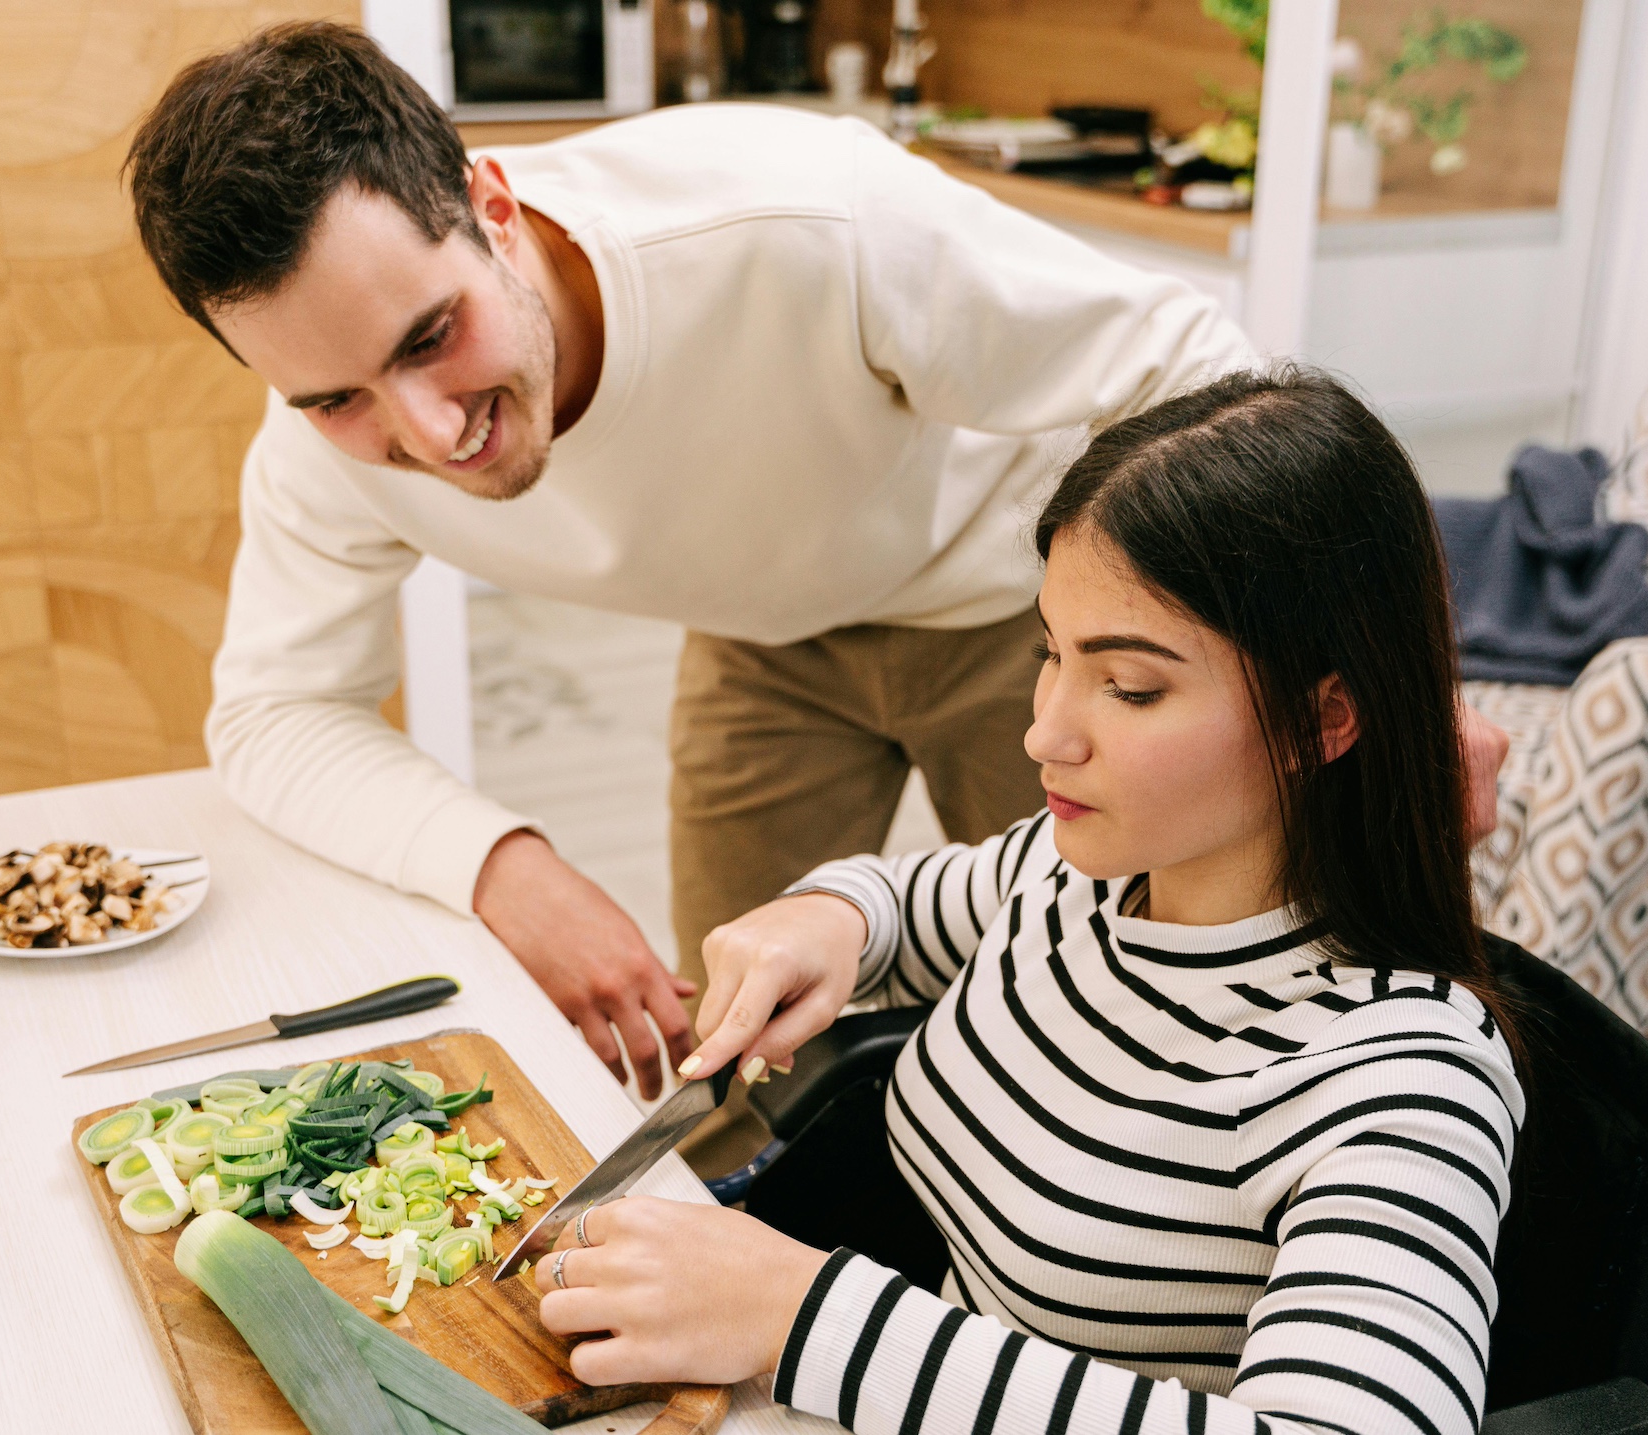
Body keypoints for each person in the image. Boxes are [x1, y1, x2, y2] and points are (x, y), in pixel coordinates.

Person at [124, 23, 1509, 1103]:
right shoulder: (320, 437)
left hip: (1008, 620)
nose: (426, 435)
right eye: (334, 396)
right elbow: (270, 711)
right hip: (763, 635)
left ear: (491, 200)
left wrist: (1395, 680)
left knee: (1133, 1025)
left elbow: (1203, 373)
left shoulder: (799, 219)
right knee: (738, 1051)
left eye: (431, 338)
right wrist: (508, 867)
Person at [527, 368, 1529, 1435]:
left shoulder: (1401, 1078)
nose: (1045, 732)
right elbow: (904, 903)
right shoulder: (1082, 878)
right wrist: (821, 920)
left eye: (1130, 687)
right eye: (1049, 655)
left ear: (1324, 718)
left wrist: (801, 1317)